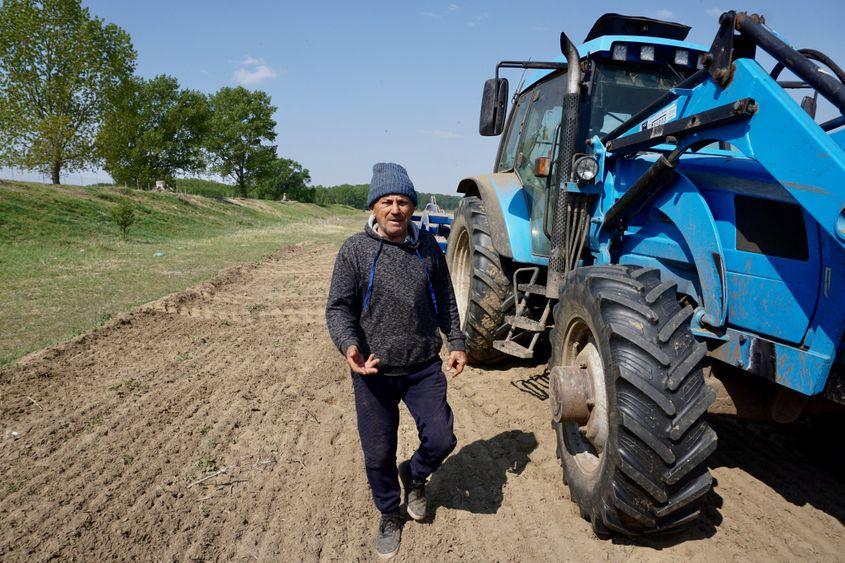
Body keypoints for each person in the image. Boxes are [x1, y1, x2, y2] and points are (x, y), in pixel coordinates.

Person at [326, 162, 467, 559]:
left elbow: (446, 298)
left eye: (403, 201)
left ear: (412, 207)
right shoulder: (355, 250)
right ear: (373, 207)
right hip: (374, 371)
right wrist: (348, 345)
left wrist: (456, 341)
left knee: (442, 437)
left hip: (423, 366)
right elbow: (338, 308)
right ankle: (389, 514)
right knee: (377, 453)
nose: (395, 209)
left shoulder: (428, 249)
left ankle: (416, 475)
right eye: (386, 201)